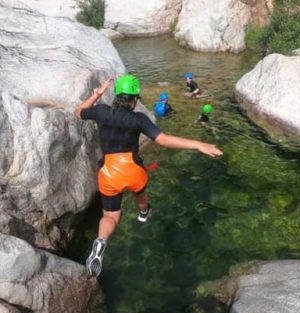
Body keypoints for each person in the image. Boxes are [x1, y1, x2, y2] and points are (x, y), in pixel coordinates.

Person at [75, 75, 223, 277]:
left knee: (110, 216)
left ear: (117, 95)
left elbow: (78, 112)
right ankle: (143, 213)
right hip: (133, 170)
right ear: (134, 98)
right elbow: (163, 140)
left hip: (109, 173)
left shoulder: (101, 112)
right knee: (141, 191)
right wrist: (198, 144)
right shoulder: (139, 119)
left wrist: (97, 95)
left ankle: (100, 241)